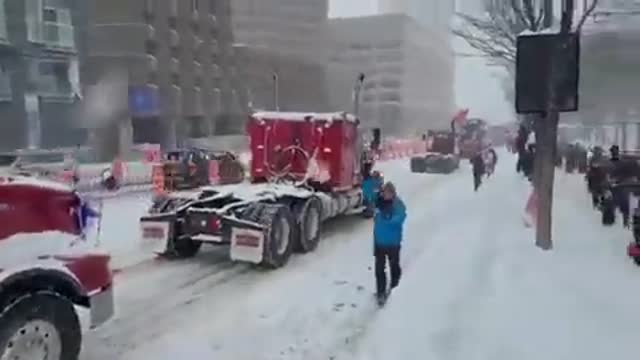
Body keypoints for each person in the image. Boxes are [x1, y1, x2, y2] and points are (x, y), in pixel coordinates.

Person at [373, 182, 407, 304]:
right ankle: (380, 292)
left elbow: (400, 218)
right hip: (379, 243)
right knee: (379, 269)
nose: (386, 195)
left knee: (394, 267)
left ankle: (395, 288)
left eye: (389, 193)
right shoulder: (379, 203)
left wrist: (388, 218)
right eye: (384, 192)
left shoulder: (398, 204)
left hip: (393, 243)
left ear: (393, 193)